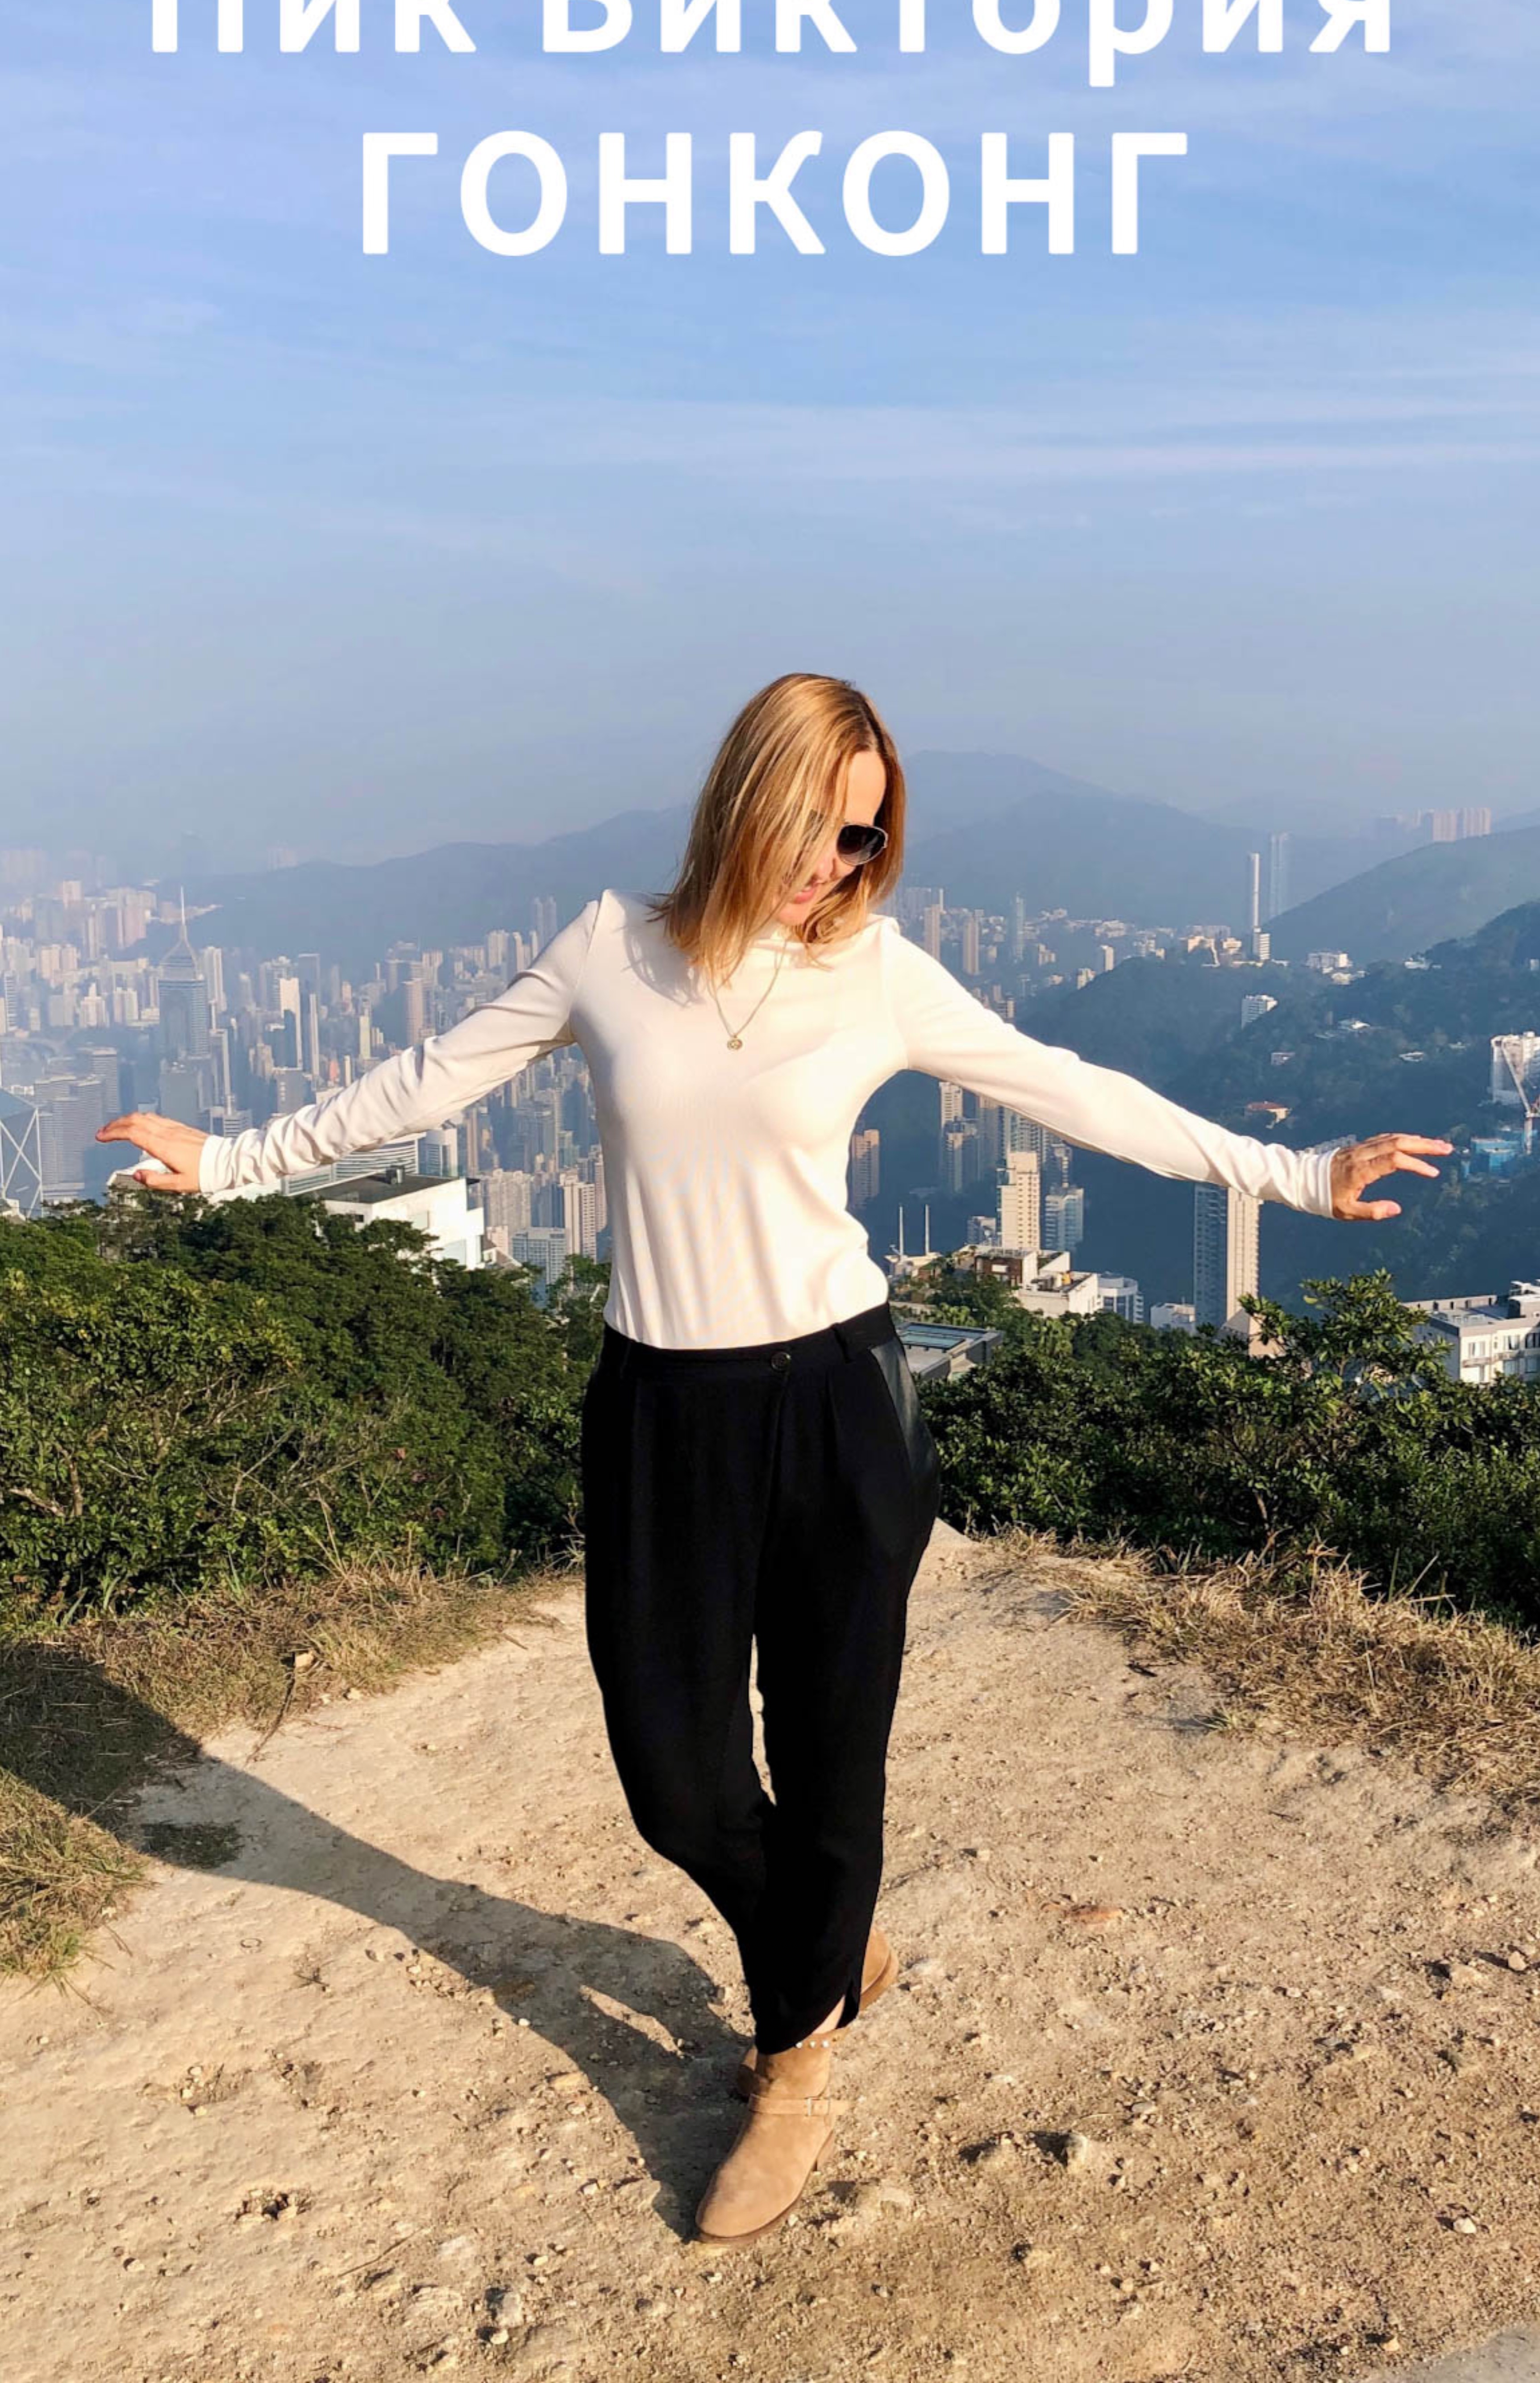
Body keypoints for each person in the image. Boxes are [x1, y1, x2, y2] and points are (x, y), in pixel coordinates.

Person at [99, 671, 1450, 2249]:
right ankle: (821, 1938)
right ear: (749, 796)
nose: (835, 864)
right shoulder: (606, 947)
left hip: (836, 1400)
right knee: (674, 1780)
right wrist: (234, 1161)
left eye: (864, 838)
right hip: (659, 1409)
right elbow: (425, 1083)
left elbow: (1070, 1090)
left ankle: (793, 2061)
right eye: (818, 824)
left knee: (828, 1759)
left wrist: (1291, 1173)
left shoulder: (874, 974)